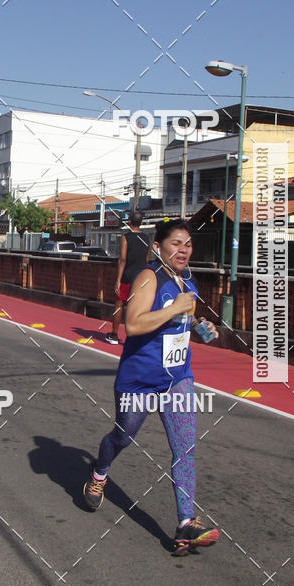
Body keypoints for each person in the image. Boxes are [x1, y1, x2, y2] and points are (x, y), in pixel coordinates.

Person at [83, 219, 221, 556]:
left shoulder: (189, 281)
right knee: (123, 435)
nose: (183, 249)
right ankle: (100, 472)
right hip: (139, 380)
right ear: (158, 247)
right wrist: (175, 308)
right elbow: (134, 322)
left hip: (177, 378)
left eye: (188, 243)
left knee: (185, 447)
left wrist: (200, 327)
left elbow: (180, 322)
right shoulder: (149, 277)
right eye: (176, 243)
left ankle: (186, 524)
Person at [106, 211, 151, 344]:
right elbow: (147, 259)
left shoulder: (126, 237)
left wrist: (118, 280)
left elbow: (123, 259)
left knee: (119, 304)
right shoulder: (146, 238)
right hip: (141, 277)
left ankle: (114, 334)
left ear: (130, 222)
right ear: (141, 222)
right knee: (137, 308)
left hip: (127, 275)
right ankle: (134, 337)